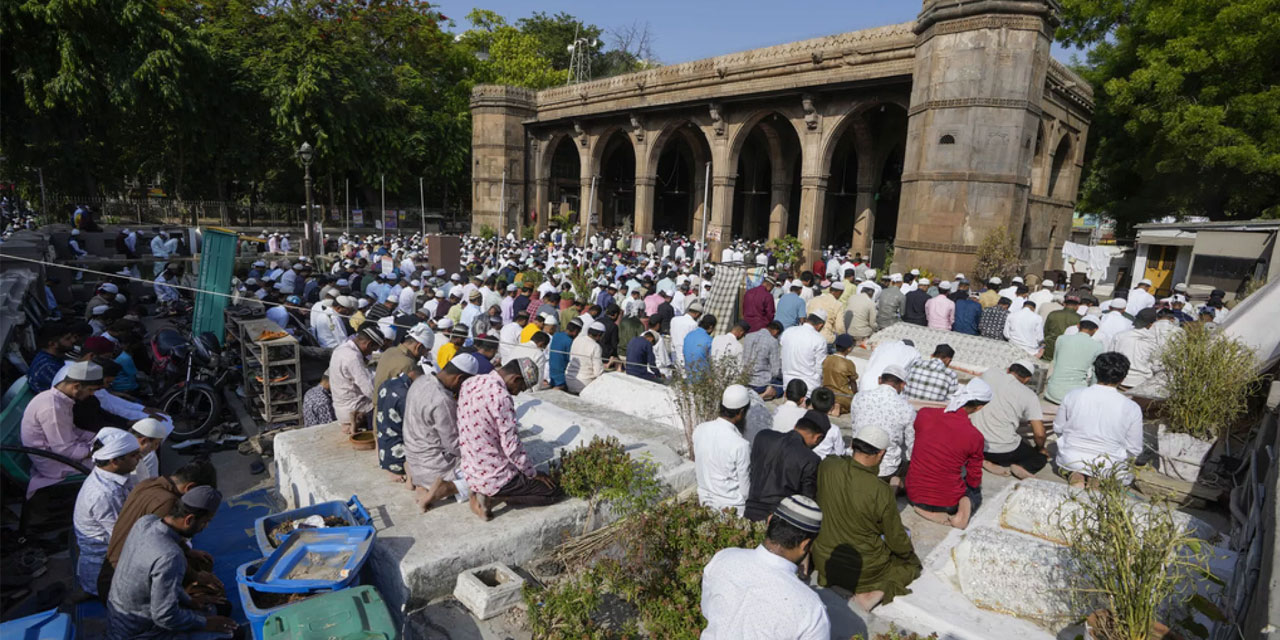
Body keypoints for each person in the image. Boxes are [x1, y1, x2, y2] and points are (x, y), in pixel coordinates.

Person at [813, 424, 922, 610]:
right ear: (881, 454)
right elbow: (895, 538)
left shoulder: (828, 465)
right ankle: (871, 594)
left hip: (824, 560)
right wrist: (909, 557)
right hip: (864, 571)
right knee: (908, 564)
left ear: (853, 444)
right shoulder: (881, 490)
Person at [105, 487, 235, 640]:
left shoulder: (145, 522)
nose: (205, 527)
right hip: (139, 631)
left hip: (120, 618)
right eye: (205, 522)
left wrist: (190, 601)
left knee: (222, 608)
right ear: (189, 520)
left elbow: (155, 585)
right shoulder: (170, 556)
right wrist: (204, 623)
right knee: (233, 633)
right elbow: (164, 616)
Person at [700, 496, 829, 640]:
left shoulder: (723, 558)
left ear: (769, 522)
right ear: (805, 545)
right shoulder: (811, 609)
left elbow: (708, 611)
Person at [458, 358, 559, 520]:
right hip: (494, 476)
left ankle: (478, 491)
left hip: (471, 469)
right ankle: (496, 497)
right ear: (515, 379)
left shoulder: (471, 382)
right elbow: (511, 447)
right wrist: (533, 473)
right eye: (521, 388)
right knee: (551, 491)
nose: (518, 393)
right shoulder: (502, 397)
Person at [905, 379, 992, 529]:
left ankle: (924, 511)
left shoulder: (925, 414)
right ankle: (960, 515)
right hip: (948, 503)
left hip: (914, 496)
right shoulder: (975, 436)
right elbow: (974, 476)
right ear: (979, 407)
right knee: (975, 492)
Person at [1055, 352, 1144, 486]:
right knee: (1114, 469)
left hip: (1071, 458)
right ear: (1123, 378)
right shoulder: (1131, 408)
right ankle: (1096, 479)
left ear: (1096, 372)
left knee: (1076, 464)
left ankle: (1077, 473)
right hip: (1108, 463)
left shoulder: (1073, 395)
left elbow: (1058, 428)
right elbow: (1134, 448)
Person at [406, 354, 481, 511]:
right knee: (489, 477)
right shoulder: (442, 400)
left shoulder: (421, 381)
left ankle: (420, 484)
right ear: (459, 379)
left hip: (414, 461)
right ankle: (446, 488)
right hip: (435, 470)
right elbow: (454, 445)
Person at [74, 428, 142, 596]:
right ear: (114, 461)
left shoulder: (112, 476)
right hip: (105, 568)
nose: (139, 459)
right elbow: (124, 537)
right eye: (134, 456)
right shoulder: (104, 494)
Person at [21, 360, 102, 498]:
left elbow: (72, 430)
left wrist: (98, 437)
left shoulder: (60, 399)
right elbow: (64, 449)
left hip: (61, 453)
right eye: (90, 390)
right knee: (114, 464)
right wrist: (96, 450)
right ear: (76, 386)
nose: (92, 394)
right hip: (54, 463)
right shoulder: (52, 407)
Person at [971, 362, 1048, 479]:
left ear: (1008, 370)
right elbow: (1039, 434)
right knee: (1039, 457)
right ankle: (1022, 466)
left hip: (973, 443)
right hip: (1002, 452)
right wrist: (1041, 448)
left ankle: (981, 459)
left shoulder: (990, 373)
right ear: (1027, 379)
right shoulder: (1029, 395)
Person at [744, 417, 824, 521]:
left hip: (750, 509)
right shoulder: (811, 459)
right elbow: (807, 499)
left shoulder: (763, 436)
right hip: (777, 517)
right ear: (817, 438)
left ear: (795, 426)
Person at [692, 385, 753, 516]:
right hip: (732, 509)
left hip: (705, 501)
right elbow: (745, 491)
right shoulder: (741, 445)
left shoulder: (700, 429)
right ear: (741, 412)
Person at [849, 365, 916, 484]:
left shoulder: (859, 397)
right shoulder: (907, 408)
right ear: (902, 385)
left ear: (880, 380)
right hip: (886, 470)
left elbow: (855, 427)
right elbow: (911, 443)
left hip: (855, 458)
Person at [328, 326, 384, 434]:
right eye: (372, 350)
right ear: (368, 344)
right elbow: (369, 390)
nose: (370, 354)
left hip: (341, 407)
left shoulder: (341, 349)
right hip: (354, 409)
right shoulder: (353, 357)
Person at [1044, 316, 1105, 404]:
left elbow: (1055, 362)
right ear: (1096, 329)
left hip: (1052, 392)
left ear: (1078, 325)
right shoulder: (1098, 346)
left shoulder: (1061, 339)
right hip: (1075, 396)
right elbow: (1095, 373)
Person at [373, 323, 432, 409]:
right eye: (426, 351)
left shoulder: (389, 351)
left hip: (378, 411)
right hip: (390, 416)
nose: (425, 354)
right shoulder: (408, 364)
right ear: (419, 347)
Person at [1112, 308, 1163, 389]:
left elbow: (1110, 357)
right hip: (1142, 382)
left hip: (1120, 380)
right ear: (1151, 324)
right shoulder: (1154, 341)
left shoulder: (1119, 336)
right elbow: (1156, 365)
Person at [780, 311, 827, 396]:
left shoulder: (788, 331)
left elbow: (782, 353)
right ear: (820, 325)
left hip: (788, 383)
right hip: (809, 386)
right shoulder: (819, 339)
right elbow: (819, 367)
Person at [743, 321, 783, 399]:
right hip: (761, 384)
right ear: (776, 331)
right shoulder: (773, 341)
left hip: (746, 380)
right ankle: (767, 393)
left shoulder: (748, 336)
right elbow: (775, 372)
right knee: (783, 385)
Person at [822, 335, 858, 415]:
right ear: (849, 349)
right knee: (849, 400)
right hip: (843, 396)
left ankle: (831, 406)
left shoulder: (826, 359)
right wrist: (856, 395)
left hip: (826, 395)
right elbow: (853, 382)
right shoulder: (849, 363)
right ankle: (838, 405)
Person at [566, 321, 605, 393]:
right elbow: (598, 372)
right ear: (599, 335)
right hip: (585, 383)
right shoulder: (596, 346)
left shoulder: (577, 339)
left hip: (569, 379)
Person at [547, 318, 578, 390]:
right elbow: (569, 358)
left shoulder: (556, 335)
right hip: (561, 373)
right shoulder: (569, 341)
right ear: (575, 331)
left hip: (551, 370)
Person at [669, 300, 703, 366]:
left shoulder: (674, 319)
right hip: (685, 352)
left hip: (674, 350)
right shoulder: (693, 324)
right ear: (697, 314)